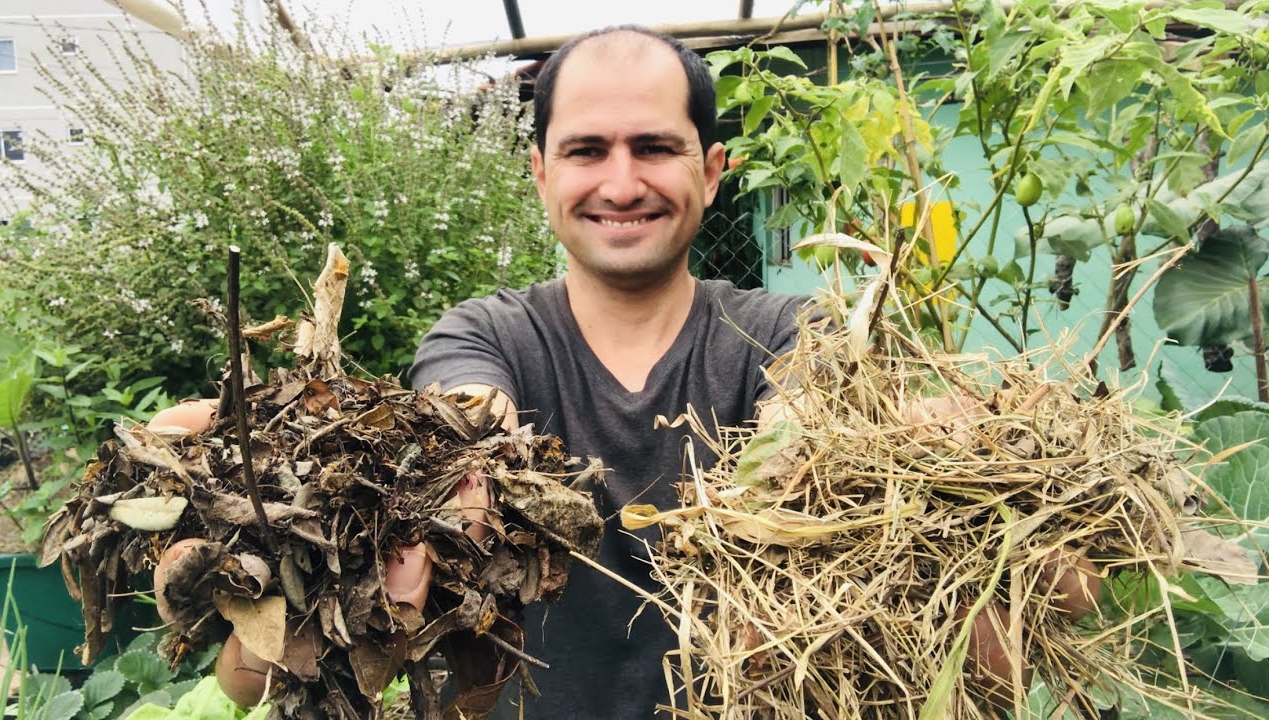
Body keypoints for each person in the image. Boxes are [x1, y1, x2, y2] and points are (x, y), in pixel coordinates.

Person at [153, 24, 1094, 718]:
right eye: (587, 150)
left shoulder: (785, 329)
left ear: (713, 169)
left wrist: (955, 491)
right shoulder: (490, 335)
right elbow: (460, 406)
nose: (621, 181)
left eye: (655, 147)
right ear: (539, 174)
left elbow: (818, 401)